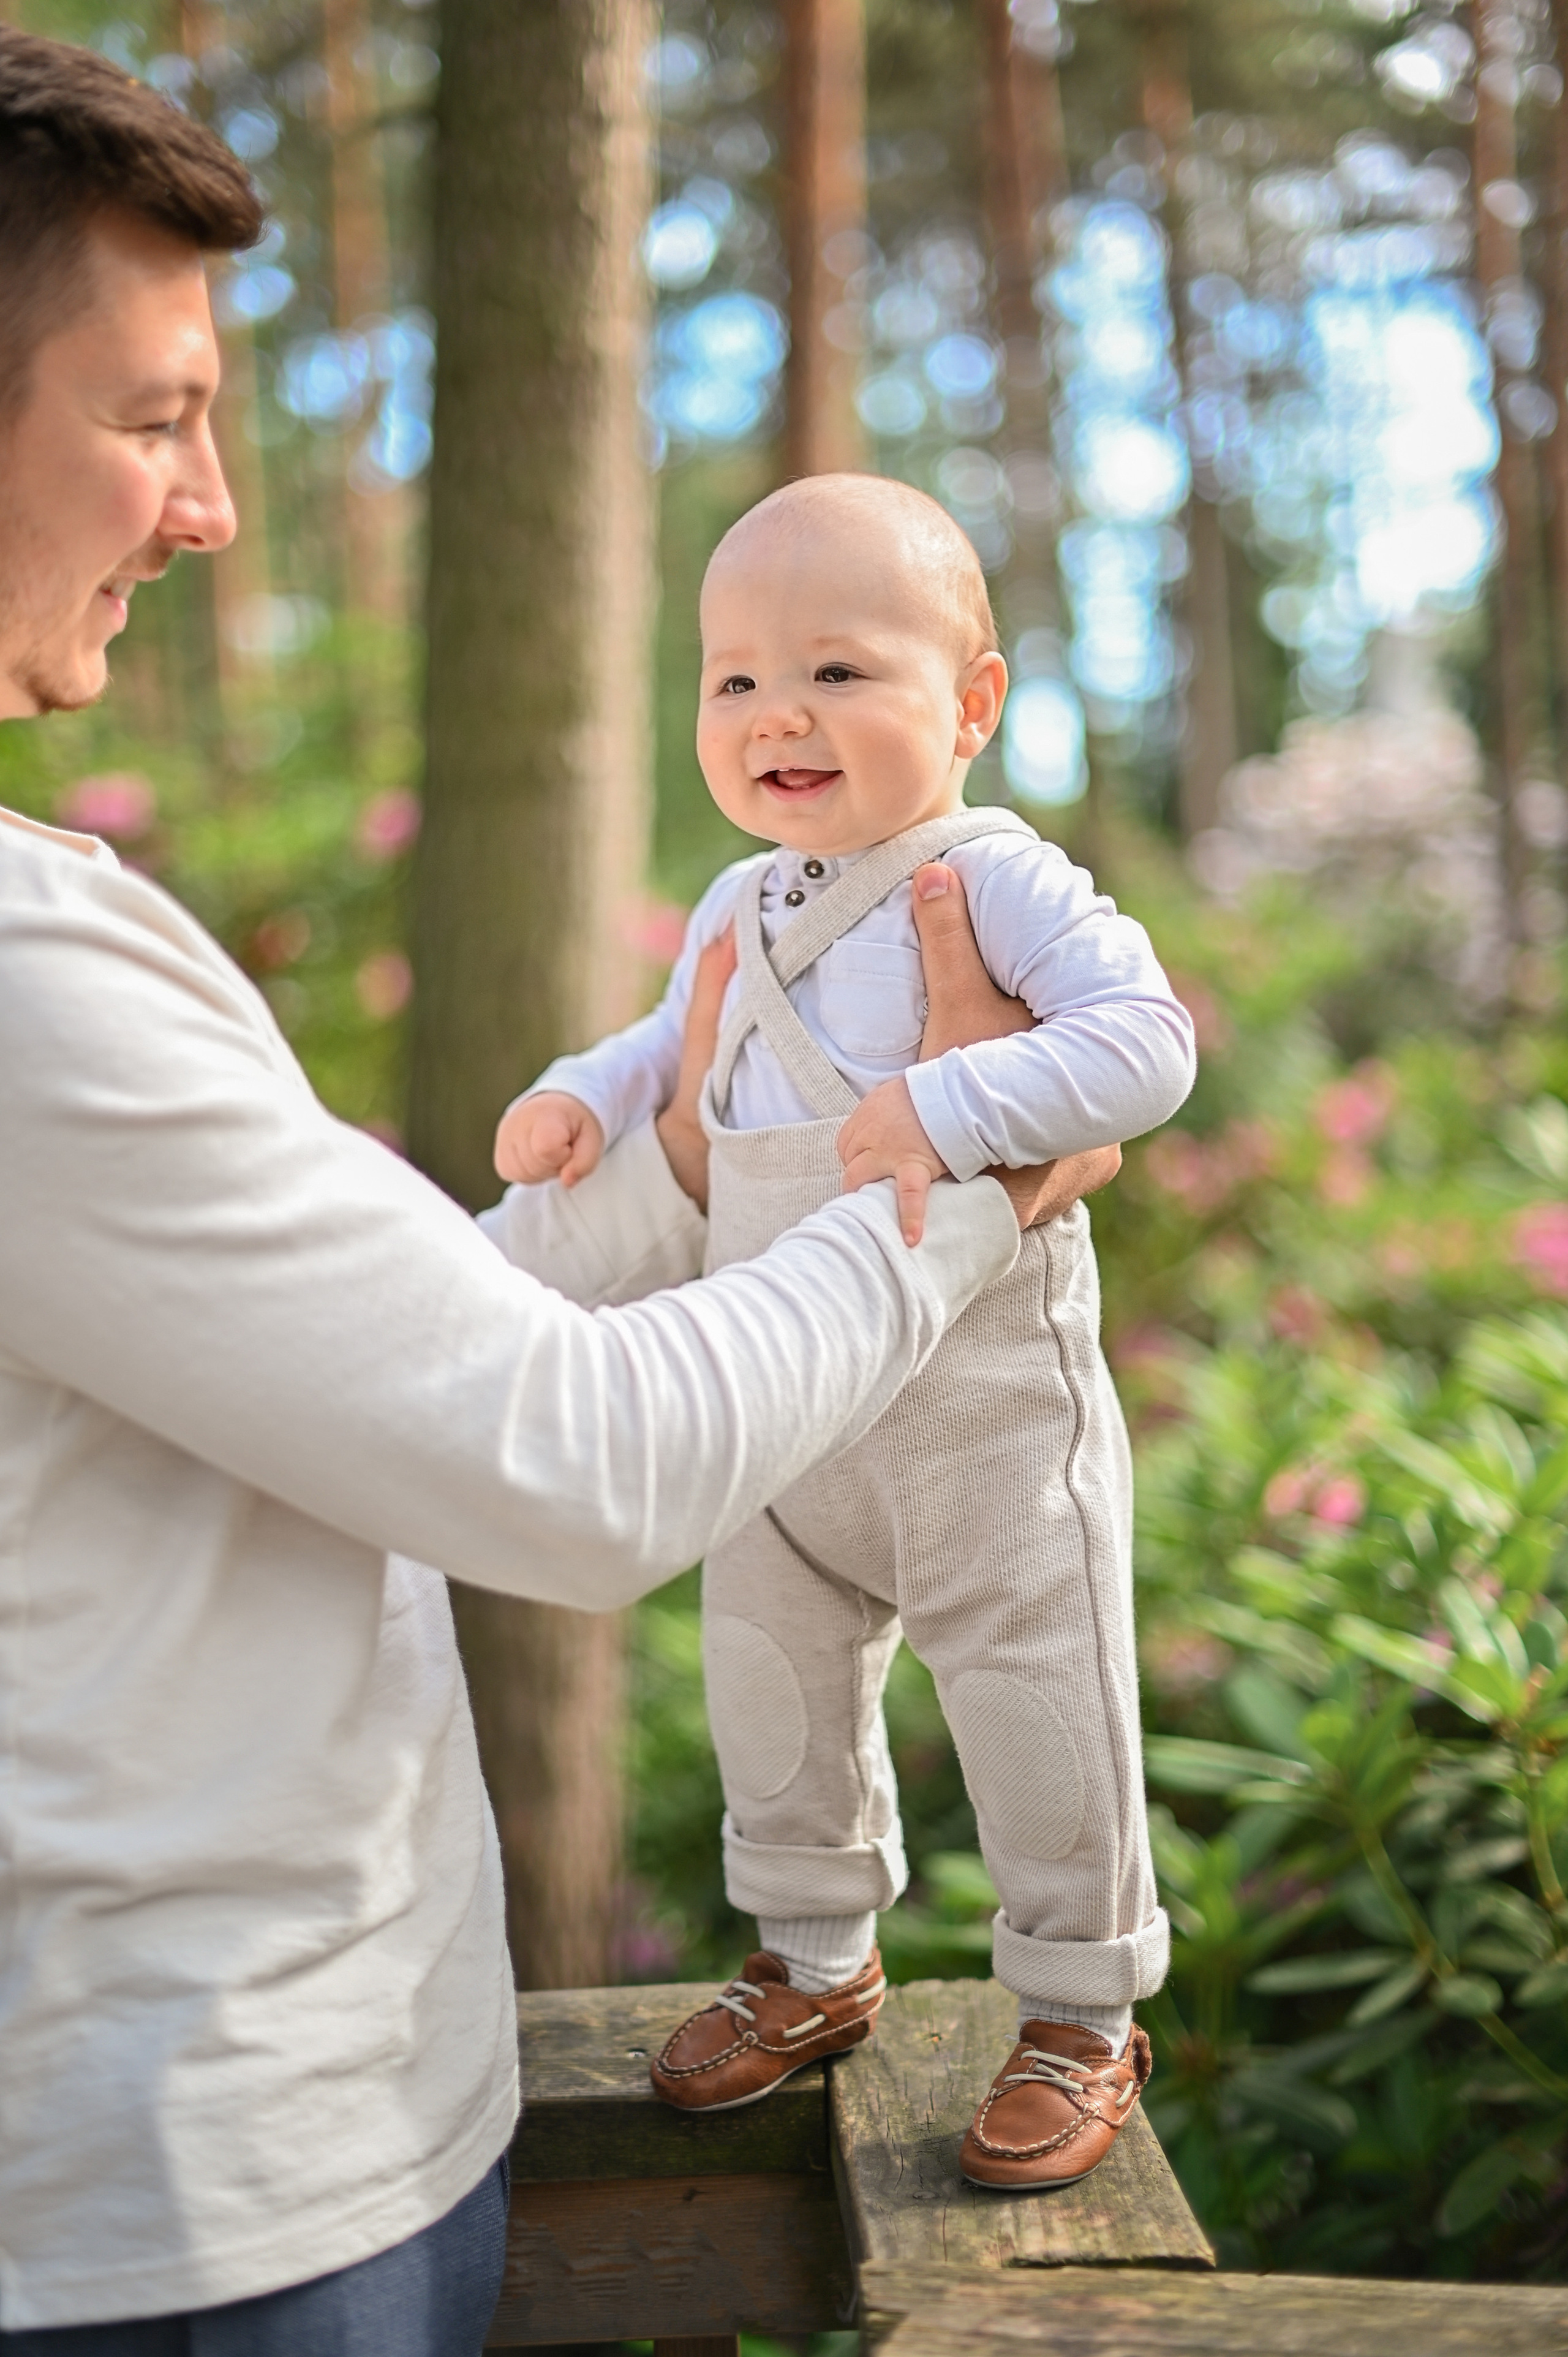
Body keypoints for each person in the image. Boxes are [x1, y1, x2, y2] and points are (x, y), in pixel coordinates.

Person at [0, 29, 1119, 2350]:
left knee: (1032, 1673)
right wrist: (957, 1181)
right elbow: (566, 1463)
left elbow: (377, 1374)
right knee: (826, 1686)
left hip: (263, 2145)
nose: (212, 508)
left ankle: (1063, 1984)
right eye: (149, 417)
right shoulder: (25, 978)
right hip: (197, 2215)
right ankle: (887, 1962)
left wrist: (673, 1168)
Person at [496, 474, 1196, 2190]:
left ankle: (1081, 2009)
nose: (776, 714)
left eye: (839, 671)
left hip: (982, 1424)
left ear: (972, 702)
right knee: (773, 1698)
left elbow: (1149, 1045)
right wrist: (585, 1101)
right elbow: (672, 1057)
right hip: (783, 1419)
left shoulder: (994, 875)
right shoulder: (738, 905)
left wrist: (959, 1097)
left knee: (1043, 1709)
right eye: (733, 679)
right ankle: (813, 1959)